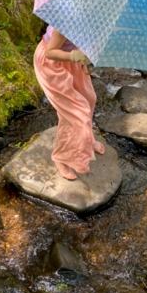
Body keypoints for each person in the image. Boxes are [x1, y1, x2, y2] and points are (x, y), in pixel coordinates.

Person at [33, 26, 106, 180]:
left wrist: (85, 61)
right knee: (75, 113)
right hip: (51, 64)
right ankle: (61, 157)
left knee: (89, 98)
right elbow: (50, 52)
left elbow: (82, 43)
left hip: (71, 61)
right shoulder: (65, 22)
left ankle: (88, 138)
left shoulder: (95, 21)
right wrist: (75, 56)